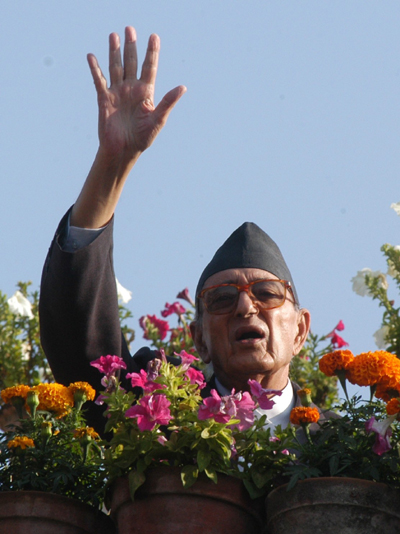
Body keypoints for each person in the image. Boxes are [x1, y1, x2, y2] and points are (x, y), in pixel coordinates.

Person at [39, 26, 317, 435]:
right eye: (222, 300)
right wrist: (114, 162)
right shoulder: (158, 415)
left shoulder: (348, 450)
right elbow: (80, 337)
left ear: (300, 330)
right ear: (199, 339)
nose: (245, 307)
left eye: (267, 293)